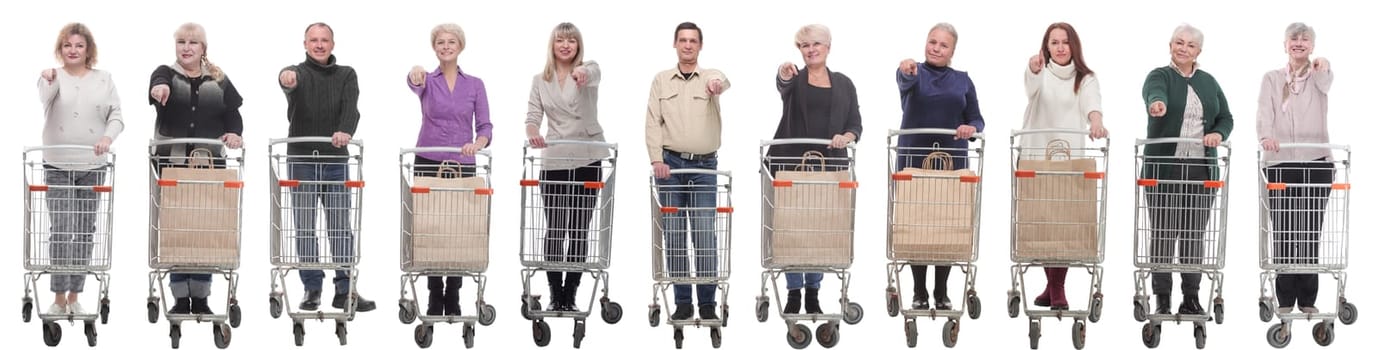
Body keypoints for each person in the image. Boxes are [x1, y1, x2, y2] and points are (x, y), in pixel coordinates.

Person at [147, 22, 245, 315]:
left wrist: (234, 133)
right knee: (178, 227)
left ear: (203, 48)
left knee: (204, 228)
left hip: (209, 163)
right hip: (172, 164)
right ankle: (180, 297)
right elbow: (158, 79)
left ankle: (201, 297)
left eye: (193, 43)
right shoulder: (166, 74)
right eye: (181, 42)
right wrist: (159, 87)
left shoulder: (219, 79)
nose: (186, 48)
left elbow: (233, 113)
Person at [278, 22, 376, 312]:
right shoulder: (297, 72)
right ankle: (312, 288)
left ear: (332, 44)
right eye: (313, 40)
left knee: (340, 226)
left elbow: (351, 107)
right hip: (302, 161)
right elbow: (287, 81)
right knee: (305, 225)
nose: (319, 45)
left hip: (334, 160)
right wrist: (286, 80)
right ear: (305, 44)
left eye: (324, 40)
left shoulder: (346, 74)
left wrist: (345, 130)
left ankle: (345, 288)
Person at [1140, 23, 1233, 316]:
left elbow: (1226, 117)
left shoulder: (1209, 81)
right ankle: (1162, 297)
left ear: (1199, 52)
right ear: (1170, 45)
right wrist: (1157, 104)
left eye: (1190, 45)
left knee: (1194, 233)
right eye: (1179, 43)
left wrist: (1218, 134)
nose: (1183, 48)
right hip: (1164, 168)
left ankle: (1191, 296)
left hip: (1200, 170)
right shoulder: (1160, 76)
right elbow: (1154, 93)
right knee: (1164, 232)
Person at [769, 24, 862, 315]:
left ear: (828, 46)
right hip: (792, 164)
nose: (811, 49)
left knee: (820, 227)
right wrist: (783, 73)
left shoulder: (844, 83)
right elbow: (783, 83)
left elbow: (855, 122)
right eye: (805, 45)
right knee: (792, 227)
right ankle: (794, 292)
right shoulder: (795, 79)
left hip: (829, 166)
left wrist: (847, 137)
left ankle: (813, 292)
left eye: (816, 44)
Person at [405, 22, 493, 316]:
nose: (445, 46)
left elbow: (485, 126)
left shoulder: (475, 84)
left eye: (451, 41)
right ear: (435, 47)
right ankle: (433, 295)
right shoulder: (427, 80)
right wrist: (415, 71)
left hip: (462, 163)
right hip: (428, 159)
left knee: (459, 230)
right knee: (431, 229)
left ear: (460, 46)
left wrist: (478, 143)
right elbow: (413, 81)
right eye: (440, 42)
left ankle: (454, 294)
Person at [37, 22, 124, 316]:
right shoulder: (52, 76)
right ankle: (58, 298)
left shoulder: (104, 78)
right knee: (62, 228)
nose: (72, 50)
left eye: (79, 46)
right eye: (67, 45)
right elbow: (44, 97)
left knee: (86, 230)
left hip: (92, 165)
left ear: (89, 50)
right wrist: (48, 78)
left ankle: (76, 295)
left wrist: (106, 138)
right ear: (60, 50)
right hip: (57, 164)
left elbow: (117, 116)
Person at [1019, 22, 1108, 311]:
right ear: (1046, 46)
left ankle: (1057, 286)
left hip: (1069, 158)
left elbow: (1092, 103)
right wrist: (1033, 68)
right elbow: (1031, 88)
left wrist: (1096, 122)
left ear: (1074, 46)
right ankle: (1051, 284)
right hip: (1036, 155)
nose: (1059, 47)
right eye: (1053, 42)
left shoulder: (1086, 78)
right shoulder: (1039, 72)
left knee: (1065, 222)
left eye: (1065, 42)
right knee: (1042, 220)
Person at [645, 21, 730, 321]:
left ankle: (707, 301)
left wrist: (716, 86)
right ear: (675, 44)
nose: (688, 45)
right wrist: (657, 159)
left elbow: (722, 80)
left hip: (705, 166)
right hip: (671, 166)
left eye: (693, 40)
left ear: (700, 45)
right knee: (675, 233)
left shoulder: (710, 77)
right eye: (683, 40)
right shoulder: (661, 80)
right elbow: (653, 121)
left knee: (705, 232)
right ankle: (683, 301)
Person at [895, 23, 984, 311]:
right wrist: (906, 68)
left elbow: (977, 119)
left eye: (943, 45)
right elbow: (903, 79)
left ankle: (942, 291)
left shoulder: (963, 80)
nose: (935, 48)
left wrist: (970, 127)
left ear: (952, 51)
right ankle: (919, 291)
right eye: (932, 41)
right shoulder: (913, 74)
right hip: (915, 158)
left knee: (947, 222)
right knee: (917, 222)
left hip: (952, 159)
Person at [525, 22, 605, 313]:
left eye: (571, 40)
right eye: (560, 40)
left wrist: (582, 73)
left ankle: (570, 293)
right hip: (555, 159)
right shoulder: (540, 80)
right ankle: (554, 292)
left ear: (578, 46)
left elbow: (593, 73)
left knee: (579, 229)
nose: (566, 45)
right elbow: (533, 115)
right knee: (556, 228)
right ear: (553, 45)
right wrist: (533, 131)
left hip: (587, 156)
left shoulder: (589, 70)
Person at [1257, 22, 1333, 315]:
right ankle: (1286, 300)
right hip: (1281, 162)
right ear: (1285, 44)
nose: (1299, 43)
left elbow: (1326, 82)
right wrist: (1266, 137)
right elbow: (1264, 111)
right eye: (1293, 38)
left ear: (1312, 46)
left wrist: (1323, 65)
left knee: (1310, 231)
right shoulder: (1272, 78)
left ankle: (1309, 299)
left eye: (1305, 39)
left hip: (1316, 163)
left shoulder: (1318, 74)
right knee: (1285, 231)